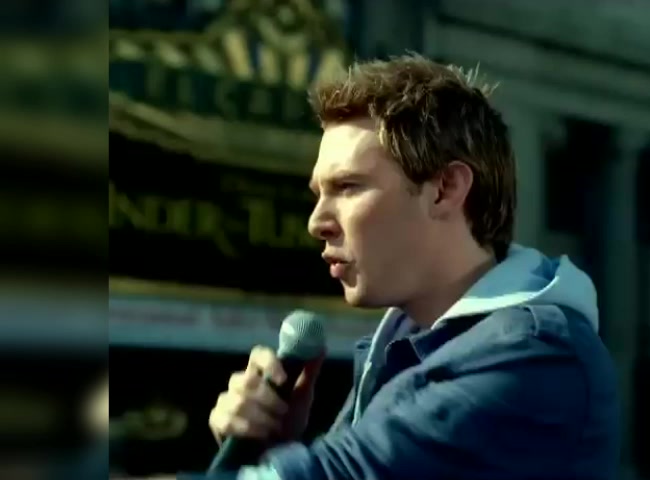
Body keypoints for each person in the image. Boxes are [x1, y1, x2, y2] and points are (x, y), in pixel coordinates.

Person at [161, 54, 619, 479]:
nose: (317, 222)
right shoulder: (405, 343)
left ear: (445, 189)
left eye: (348, 187)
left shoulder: (536, 354)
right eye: (318, 193)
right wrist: (269, 449)